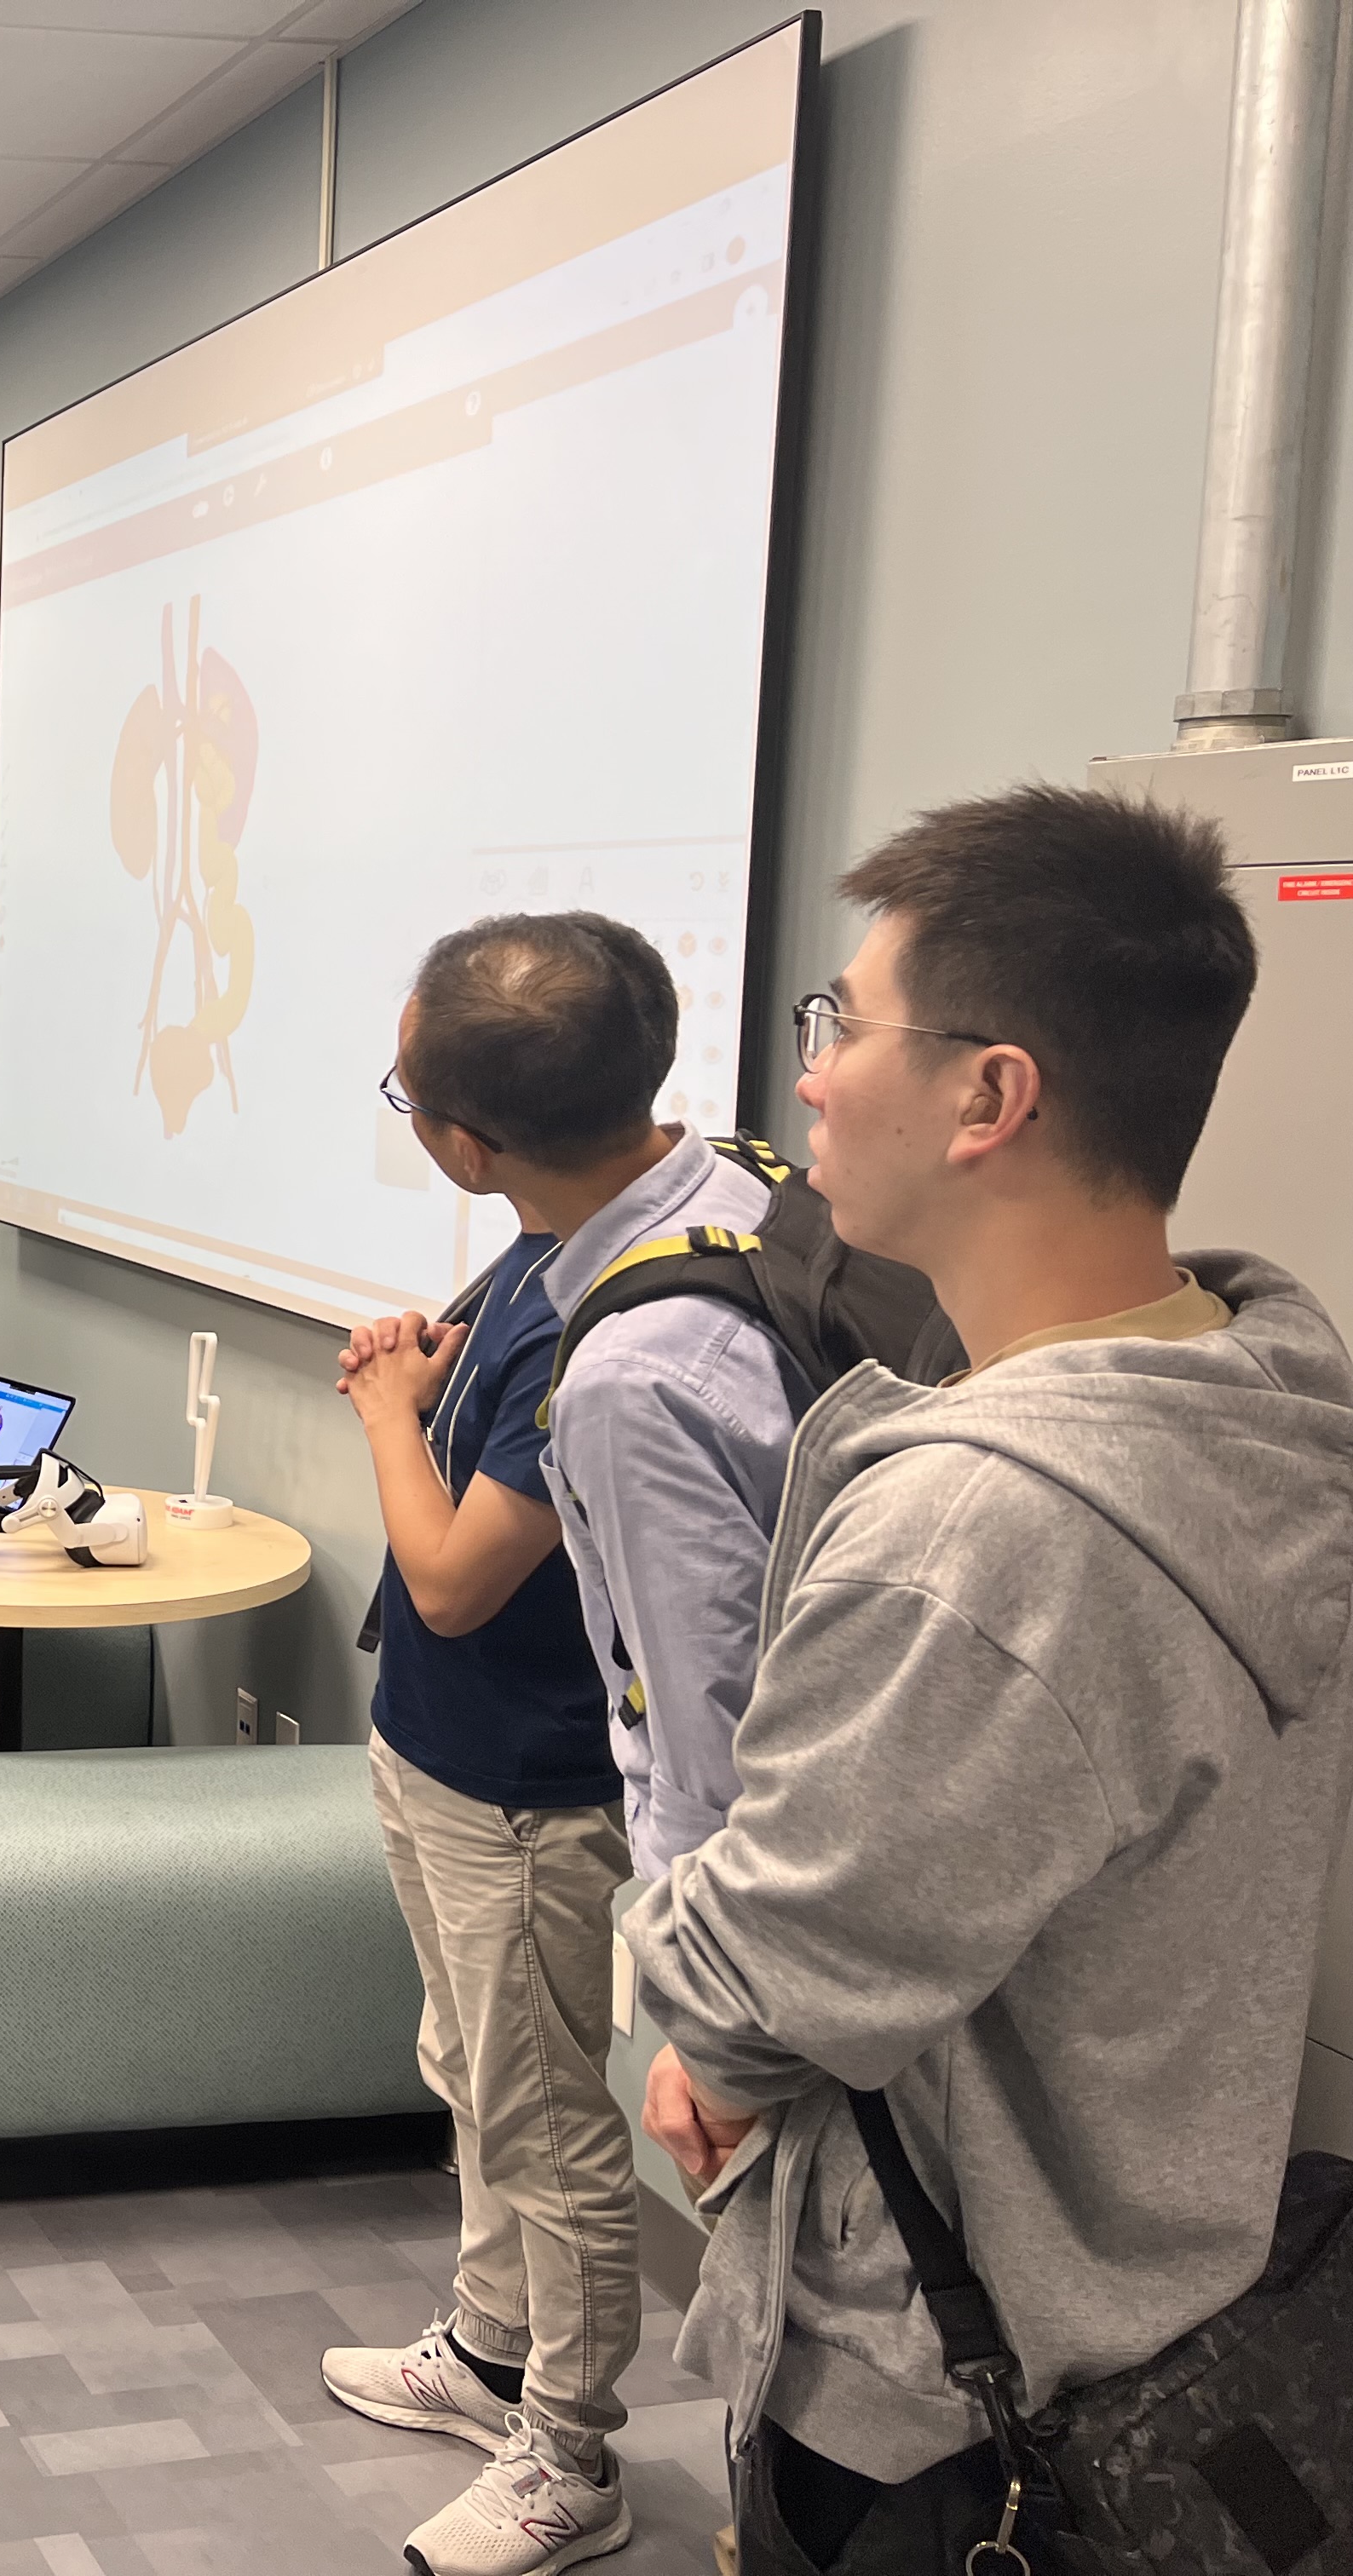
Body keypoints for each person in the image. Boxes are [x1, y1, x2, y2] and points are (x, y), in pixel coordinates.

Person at [629, 787, 1351, 2573]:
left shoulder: (984, 1540)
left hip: (950, 2411)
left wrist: (693, 2013)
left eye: (842, 1024)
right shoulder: (1261, 1397)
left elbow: (765, 1982)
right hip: (1160, 2298)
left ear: (991, 1093)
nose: (808, 1077)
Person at [320, 1050, 642, 2576]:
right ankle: (489, 2347)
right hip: (439, 1747)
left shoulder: (603, 1312)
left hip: (526, 1777)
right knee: (470, 2065)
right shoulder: (541, 1239)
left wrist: (387, 1407)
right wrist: (427, 1372)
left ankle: (568, 2450)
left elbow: (451, 1577)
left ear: (465, 1131)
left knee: (548, 2114)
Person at [391, 915, 798, 1884]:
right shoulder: (748, 1181)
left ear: (469, 1152)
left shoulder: (624, 1372)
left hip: (619, 1840)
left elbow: (707, 1737)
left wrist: (702, 2008)